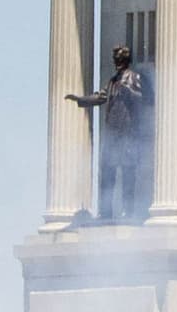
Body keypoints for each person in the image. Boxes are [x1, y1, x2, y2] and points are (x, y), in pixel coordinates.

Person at [62, 44, 155, 223]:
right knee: (107, 173)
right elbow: (101, 96)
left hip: (128, 134)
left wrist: (130, 90)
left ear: (126, 60)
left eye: (119, 59)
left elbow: (148, 99)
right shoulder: (113, 81)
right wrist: (80, 99)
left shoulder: (134, 78)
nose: (116, 62)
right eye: (115, 59)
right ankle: (105, 212)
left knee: (128, 173)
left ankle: (128, 212)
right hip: (113, 134)